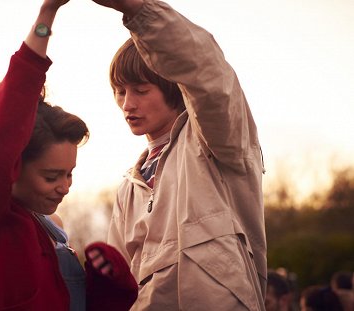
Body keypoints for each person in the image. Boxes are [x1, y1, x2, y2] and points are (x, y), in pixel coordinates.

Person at [0, 0, 137, 310]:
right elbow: (2, 135)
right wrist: (48, 14)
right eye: (51, 176)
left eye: (69, 173)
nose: (65, 186)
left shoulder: (54, 229)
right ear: (14, 166)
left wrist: (109, 285)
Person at [91, 0, 266, 309]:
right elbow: (118, 286)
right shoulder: (126, 191)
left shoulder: (214, 142)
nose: (127, 104)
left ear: (174, 88)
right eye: (120, 91)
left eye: (141, 90)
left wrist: (139, 10)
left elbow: (208, 75)